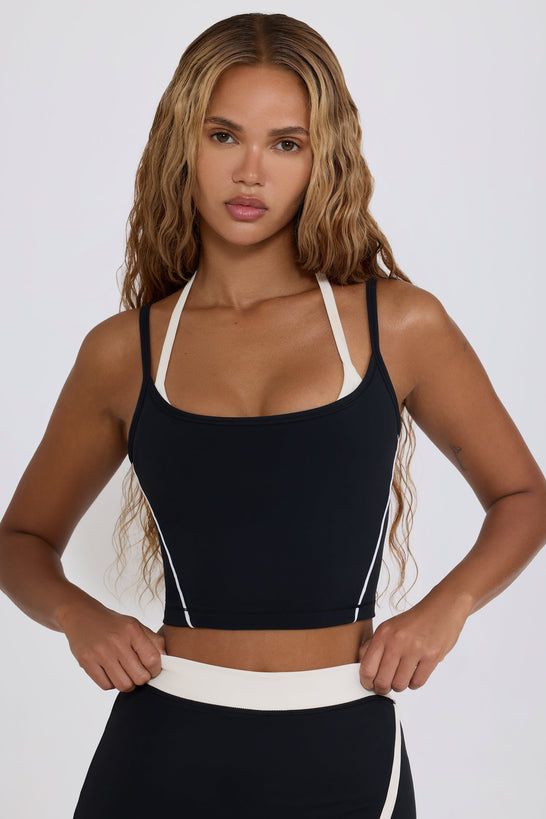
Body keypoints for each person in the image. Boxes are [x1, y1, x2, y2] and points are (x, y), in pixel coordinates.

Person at [0, 11, 545, 818]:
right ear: (183, 143)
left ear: (323, 159)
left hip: (344, 747)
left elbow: (524, 496)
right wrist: (77, 614)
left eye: (286, 143)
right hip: (160, 744)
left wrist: (446, 608)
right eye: (225, 136)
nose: (250, 171)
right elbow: (21, 539)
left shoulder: (399, 326)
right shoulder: (123, 351)